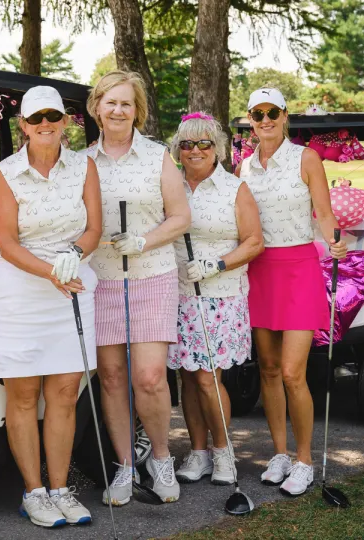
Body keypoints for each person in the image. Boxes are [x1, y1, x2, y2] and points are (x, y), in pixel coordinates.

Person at [0, 86, 102, 528]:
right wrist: (50, 270)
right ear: (23, 126)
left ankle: (60, 488)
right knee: (23, 395)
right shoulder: (7, 172)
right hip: (21, 291)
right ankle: (34, 492)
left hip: (71, 284)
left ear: (65, 121)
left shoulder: (84, 166)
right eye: (36, 119)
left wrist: (74, 251)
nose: (45, 125)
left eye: (53, 116)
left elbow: (94, 227)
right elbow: (8, 244)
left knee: (65, 394)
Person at [83, 71, 192, 505]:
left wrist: (144, 240)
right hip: (104, 279)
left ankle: (161, 458)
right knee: (111, 378)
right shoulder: (82, 161)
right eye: (110, 102)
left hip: (152, 275)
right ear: (96, 107)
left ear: (137, 111)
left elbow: (180, 216)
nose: (117, 110)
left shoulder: (156, 157)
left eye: (126, 103)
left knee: (148, 376)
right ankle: (126, 466)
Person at [236, 87, 347, 496]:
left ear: (285, 116)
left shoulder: (306, 158)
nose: (265, 120)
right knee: (266, 368)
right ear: (250, 119)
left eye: (272, 112)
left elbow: (324, 211)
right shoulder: (243, 167)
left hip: (299, 269)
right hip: (259, 271)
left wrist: (335, 238)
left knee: (291, 372)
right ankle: (279, 454)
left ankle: (304, 460)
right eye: (257, 114)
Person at [166, 112, 264, 485]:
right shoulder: (171, 186)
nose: (195, 150)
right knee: (187, 378)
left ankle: (224, 455)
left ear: (217, 149)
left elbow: (255, 241)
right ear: (178, 150)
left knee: (207, 377)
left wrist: (217, 264)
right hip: (178, 293)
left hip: (220, 294)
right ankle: (199, 452)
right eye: (187, 144)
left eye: (204, 143)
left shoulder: (233, 188)